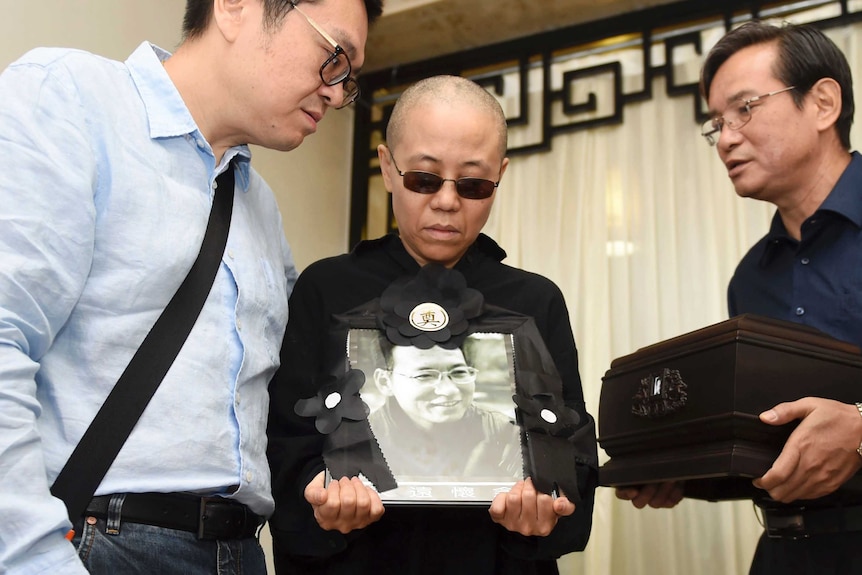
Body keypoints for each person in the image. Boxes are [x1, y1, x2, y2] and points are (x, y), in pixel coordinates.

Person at [0, 0, 382, 573]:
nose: (335, 92)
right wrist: (33, 557)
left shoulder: (259, 205)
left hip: (242, 550)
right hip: (98, 543)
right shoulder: (71, 99)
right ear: (233, 7)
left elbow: (290, 396)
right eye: (334, 57)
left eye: (348, 77)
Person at [267, 74, 598, 575]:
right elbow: (283, 437)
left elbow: (572, 445)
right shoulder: (326, 288)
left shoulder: (535, 300)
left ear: (500, 177)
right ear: (387, 167)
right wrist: (318, 487)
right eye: (424, 179)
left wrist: (547, 503)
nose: (446, 202)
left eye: (473, 185)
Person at [616, 20, 862, 574]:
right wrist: (683, 467)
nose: (725, 138)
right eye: (716, 124)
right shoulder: (750, 277)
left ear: (822, 103)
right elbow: (768, 445)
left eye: (745, 109)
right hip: (784, 551)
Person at [368, 338, 522, 480]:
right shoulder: (360, 439)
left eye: (459, 372)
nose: (449, 390)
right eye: (425, 375)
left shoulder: (506, 433)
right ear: (385, 382)